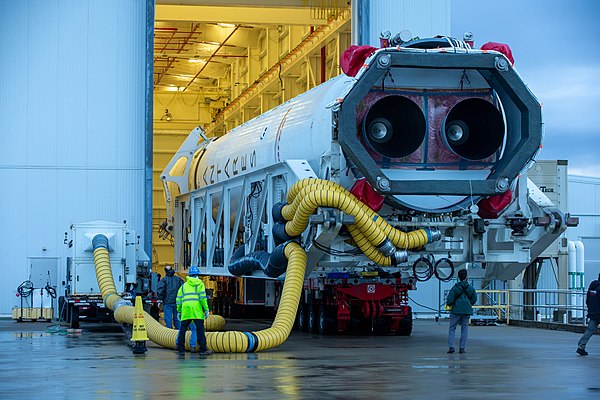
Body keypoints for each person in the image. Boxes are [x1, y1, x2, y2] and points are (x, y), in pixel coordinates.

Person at [176, 265, 213, 356]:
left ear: (189, 275)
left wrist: (179, 311)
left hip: (186, 310)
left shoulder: (184, 286)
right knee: (200, 330)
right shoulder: (200, 284)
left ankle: (181, 350)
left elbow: (179, 299)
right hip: (197, 311)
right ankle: (203, 350)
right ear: (197, 275)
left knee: (182, 330)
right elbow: (202, 298)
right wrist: (206, 309)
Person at [446, 269, 478, 354]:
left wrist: (452, 304)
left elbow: (449, 300)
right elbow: (474, 298)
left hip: (456, 311)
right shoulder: (470, 288)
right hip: (466, 311)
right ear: (466, 277)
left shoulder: (455, 288)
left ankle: (451, 347)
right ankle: (462, 348)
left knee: (452, 328)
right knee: (464, 329)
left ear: (458, 277)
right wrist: (468, 304)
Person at [576, 273, 600, 356]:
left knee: (589, 330)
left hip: (593, 312)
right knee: (590, 330)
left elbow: (587, 300)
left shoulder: (592, 287)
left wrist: (590, 310)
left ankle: (581, 346)